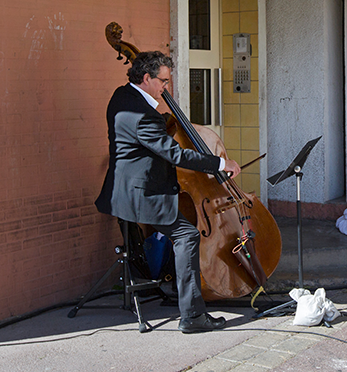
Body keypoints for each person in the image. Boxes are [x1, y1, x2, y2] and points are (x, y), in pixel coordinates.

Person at [95, 51, 241, 333]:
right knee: (186, 235)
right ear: (147, 78)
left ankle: (183, 301)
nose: (166, 87)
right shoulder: (144, 117)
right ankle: (192, 316)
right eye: (163, 81)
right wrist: (221, 163)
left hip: (120, 190)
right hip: (141, 196)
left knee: (183, 233)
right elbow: (176, 155)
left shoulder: (122, 96)